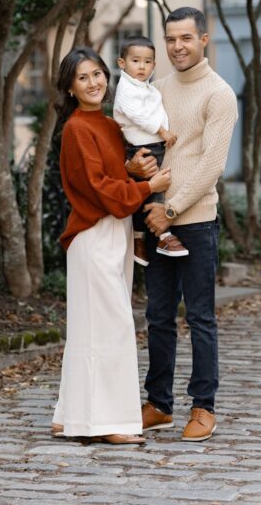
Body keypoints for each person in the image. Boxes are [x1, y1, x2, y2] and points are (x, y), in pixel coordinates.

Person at [51, 46, 172, 445]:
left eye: (97, 74)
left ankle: (70, 415)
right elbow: (96, 188)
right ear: (70, 87)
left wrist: (130, 169)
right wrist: (148, 186)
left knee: (90, 329)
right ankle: (109, 422)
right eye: (82, 78)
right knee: (114, 327)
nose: (93, 83)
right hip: (94, 232)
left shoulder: (107, 125)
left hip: (116, 230)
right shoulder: (76, 128)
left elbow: (108, 172)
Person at [137, 7, 238, 443]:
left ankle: (203, 407)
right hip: (157, 224)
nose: (177, 46)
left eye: (185, 38)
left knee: (199, 318)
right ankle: (158, 404)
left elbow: (211, 165)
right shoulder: (155, 90)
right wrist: (135, 166)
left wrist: (172, 209)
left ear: (203, 39)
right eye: (170, 39)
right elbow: (145, 147)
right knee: (158, 317)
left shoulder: (220, 94)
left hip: (194, 224)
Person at [113, 35, 187, 266]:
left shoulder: (145, 88)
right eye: (136, 61)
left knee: (145, 192)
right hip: (142, 147)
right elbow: (137, 114)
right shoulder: (126, 88)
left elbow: (155, 109)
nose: (142, 66)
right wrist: (163, 131)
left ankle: (139, 242)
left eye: (148, 62)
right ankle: (163, 236)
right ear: (122, 63)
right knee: (156, 190)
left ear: (154, 65)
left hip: (152, 143)